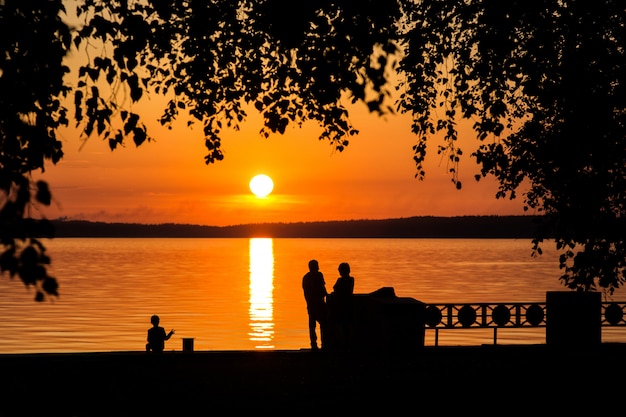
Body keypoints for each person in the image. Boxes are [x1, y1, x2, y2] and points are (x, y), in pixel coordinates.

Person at [302, 259, 328, 351]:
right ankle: (324, 344)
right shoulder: (319, 275)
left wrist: (308, 302)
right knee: (324, 323)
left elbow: (305, 292)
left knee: (312, 325)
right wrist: (327, 295)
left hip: (310, 304)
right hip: (319, 303)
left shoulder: (305, 277)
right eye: (317, 265)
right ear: (315, 267)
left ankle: (313, 344)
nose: (318, 267)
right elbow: (322, 288)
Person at [330, 262, 355, 349]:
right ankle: (348, 344)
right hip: (348, 305)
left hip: (341, 306)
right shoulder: (351, 279)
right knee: (348, 325)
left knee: (341, 326)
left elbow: (335, 289)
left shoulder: (340, 280)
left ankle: (342, 345)